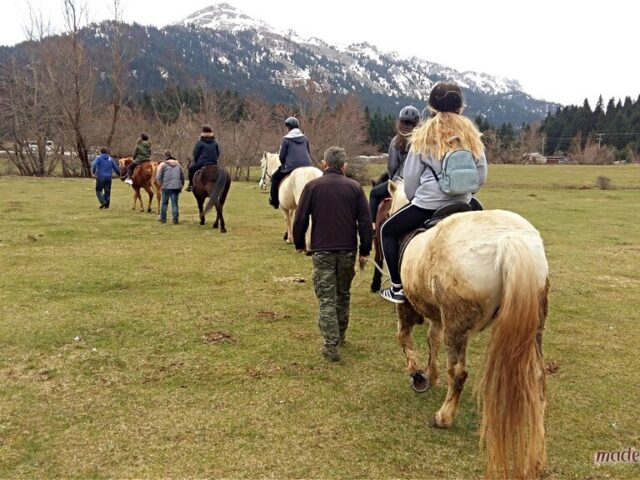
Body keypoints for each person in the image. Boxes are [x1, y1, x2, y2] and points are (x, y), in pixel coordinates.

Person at [379, 83, 488, 304]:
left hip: (427, 206)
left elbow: (410, 182)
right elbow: (481, 176)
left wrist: (417, 196)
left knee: (386, 231)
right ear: (460, 107)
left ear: (432, 106)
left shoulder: (423, 135)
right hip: (464, 204)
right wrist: (464, 192)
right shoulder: (471, 135)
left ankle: (397, 287)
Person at [293, 146, 373, 362]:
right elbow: (365, 223)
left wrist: (299, 243)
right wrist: (365, 249)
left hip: (322, 251)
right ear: (344, 165)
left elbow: (299, 219)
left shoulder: (312, 187)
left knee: (327, 299)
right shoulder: (355, 188)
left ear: (324, 164)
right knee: (343, 294)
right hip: (347, 250)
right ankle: (340, 336)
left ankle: (331, 345)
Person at [369, 105, 420, 225]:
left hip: (398, 182)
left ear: (400, 122)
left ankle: (372, 226)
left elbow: (392, 167)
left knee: (374, 194)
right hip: (418, 183)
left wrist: (393, 179)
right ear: (417, 123)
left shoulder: (396, 141)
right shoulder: (422, 140)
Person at [269, 116, 312, 209]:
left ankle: (275, 201)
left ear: (288, 127)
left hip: (291, 166)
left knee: (275, 177)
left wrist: (284, 165)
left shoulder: (286, 139)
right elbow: (308, 152)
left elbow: (282, 156)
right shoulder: (305, 138)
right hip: (308, 166)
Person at [187, 125, 220, 192]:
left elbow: (196, 154)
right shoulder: (215, 143)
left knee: (191, 169)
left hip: (202, 162)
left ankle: (190, 185)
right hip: (214, 162)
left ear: (202, 132)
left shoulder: (200, 143)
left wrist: (196, 161)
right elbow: (218, 153)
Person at [156, 149, 184, 224]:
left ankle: (163, 219)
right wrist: (181, 185)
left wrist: (160, 184)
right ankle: (175, 220)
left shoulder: (163, 164)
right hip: (176, 186)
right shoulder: (178, 164)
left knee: (164, 203)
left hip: (166, 186)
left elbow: (158, 176)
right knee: (174, 203)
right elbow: (182, 176)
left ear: (164, 155)